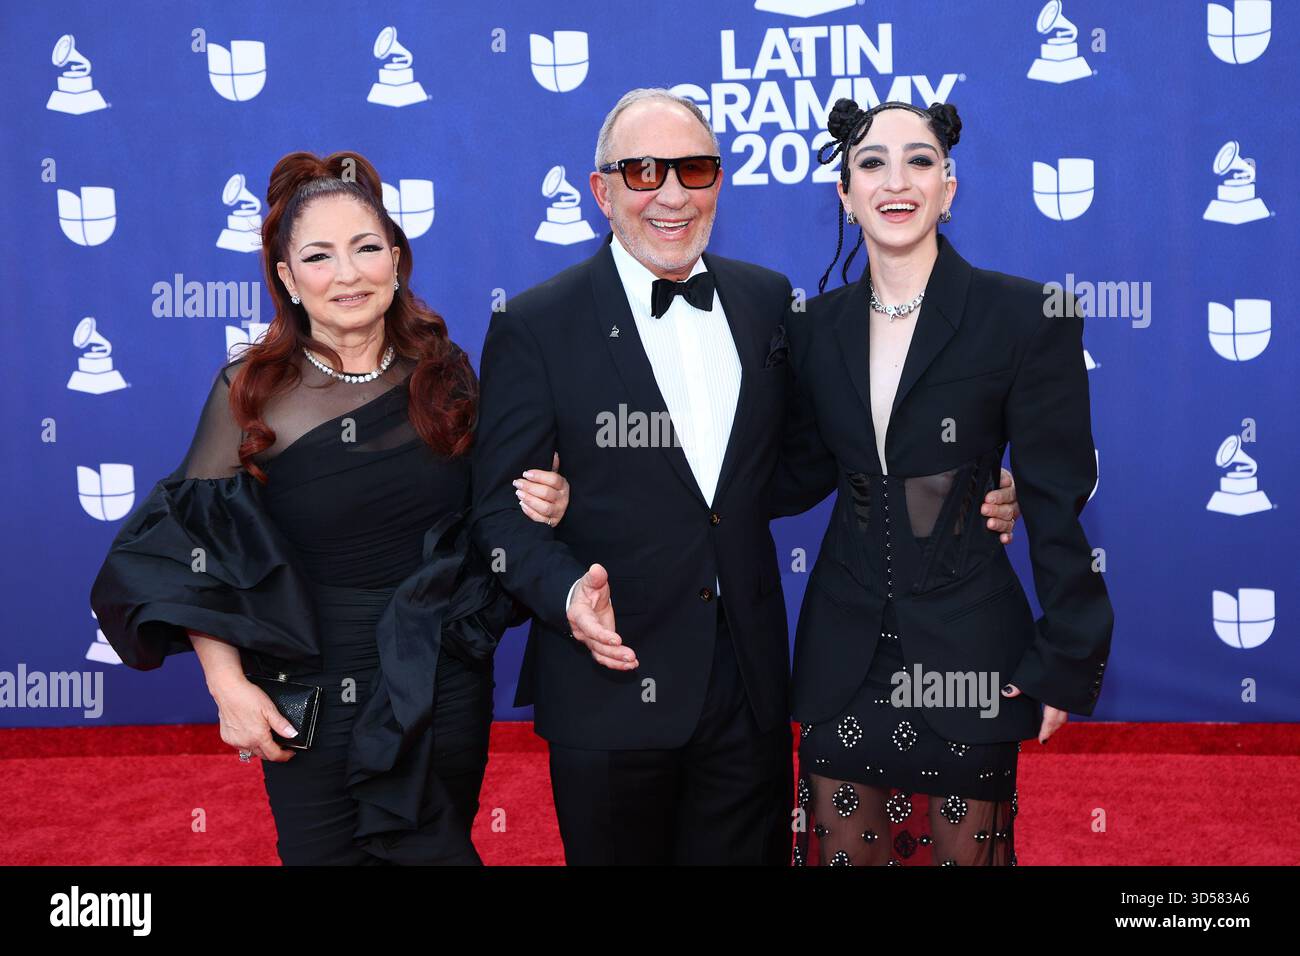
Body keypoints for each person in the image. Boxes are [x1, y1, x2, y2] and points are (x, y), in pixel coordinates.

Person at [471, 89, 1023, 865]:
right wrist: (565, 593)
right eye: (643, 172)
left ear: (719, 182)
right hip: (610, 684)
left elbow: (826, 450)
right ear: (601, 190)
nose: (671, 194)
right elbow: (498, 512)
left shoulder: (766, 302)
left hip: (748, 689)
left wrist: (970, 482)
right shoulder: (535, 325)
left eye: (693, 170)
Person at [90, 151, 568, 865]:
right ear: (288, 279)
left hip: (438, 680)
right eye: (319, 256)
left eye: (366, 248)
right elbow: (192, 556)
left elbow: (489, 520)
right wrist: (227, 687)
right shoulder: (250, 394)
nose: (347, 274)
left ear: (396, 261)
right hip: (305, 686)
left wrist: (548, 502)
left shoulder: (445, 377)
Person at [782, 99, 1113, 866]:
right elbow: (789, 477)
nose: (896, 181)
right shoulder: (811, 329)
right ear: (845, 194)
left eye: (920, 161)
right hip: (843, 658)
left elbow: (1057, 504)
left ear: (949, 188)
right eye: (872, 163)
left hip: (972, 654)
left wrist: (1067, 656)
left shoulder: (1026, 316)